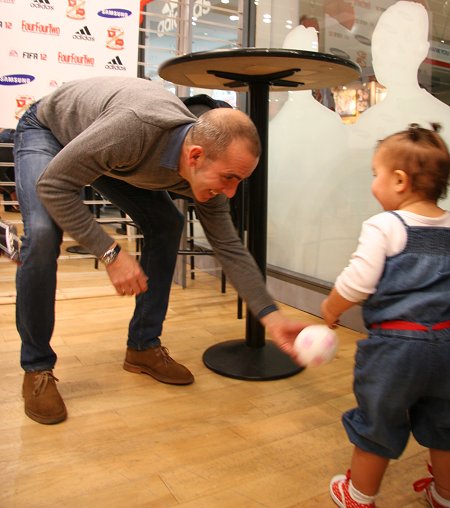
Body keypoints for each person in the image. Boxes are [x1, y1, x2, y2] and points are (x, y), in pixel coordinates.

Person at [13, 76, 305, 425]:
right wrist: (111, 254)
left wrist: (271, 316)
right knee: (44, 234)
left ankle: (142, 346)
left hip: (103, 146)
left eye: (239, 181)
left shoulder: (201, 167)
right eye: (229, 178)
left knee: (167, 223)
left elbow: (228, 246)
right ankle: (37, 367)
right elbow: (54, 185)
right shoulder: (134, 129)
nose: (230, 192)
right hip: (49, 129)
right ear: (195, 155)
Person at [321, 124, 450, 508]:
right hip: (447, 346)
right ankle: (444, 495)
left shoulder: (385, 225)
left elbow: (358, 282)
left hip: (395, 349)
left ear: (399, 180)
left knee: (378, 422)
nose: (373, 184)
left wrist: (331, 308)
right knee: (445, 426)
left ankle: (359, 496)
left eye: (375, 175)